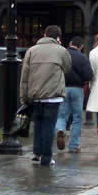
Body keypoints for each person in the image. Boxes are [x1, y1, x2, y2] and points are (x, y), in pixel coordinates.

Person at [19, 25, 71, 167]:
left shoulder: (32, 51)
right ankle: (46, 157)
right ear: (58, 37)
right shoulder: (62, 51)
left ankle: (36, 153)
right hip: (53, 95)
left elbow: (24, 76)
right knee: (49, 126)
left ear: (44, 34)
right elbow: (67, 68)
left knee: (38, 125)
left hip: (35, 95)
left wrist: (23, 96)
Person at [56, 36, 93, 154]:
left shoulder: (62, 55)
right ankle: (74, 146)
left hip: (63, 88)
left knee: (62, 115)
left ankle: (60, 130)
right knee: (77, 118)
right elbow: (88, 75)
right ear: (81, 46)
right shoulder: (83, 58)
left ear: (70, 43)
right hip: (77, 89)